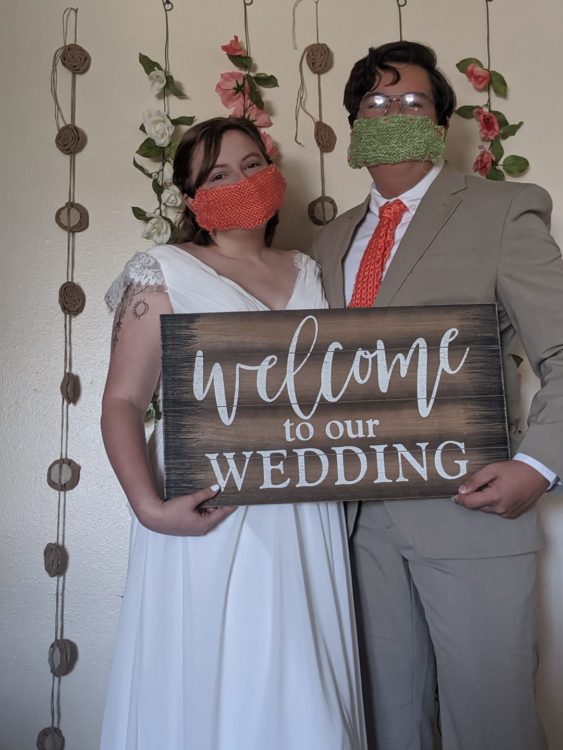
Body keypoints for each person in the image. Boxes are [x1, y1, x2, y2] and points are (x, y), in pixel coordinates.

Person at [311, 41, 563, 750]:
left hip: (469, 511)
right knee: (386, 727)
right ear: (355, 124)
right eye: (375, 103)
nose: (393, 112)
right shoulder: (326, 242)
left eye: (413, 102)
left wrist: (537, 466)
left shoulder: (503, 211)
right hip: (354, 528)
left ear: (442, 123)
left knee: (492, 726)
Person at [100, 117, 366, 750]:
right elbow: (122, 399)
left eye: (252, 166)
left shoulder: (309, 271)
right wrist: (149, 508)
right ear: (192, 199)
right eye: (217, 174)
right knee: (216, 672)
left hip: (305, 507)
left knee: (307, 688)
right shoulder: (162, 271)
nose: (241, 182)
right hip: (210, 509)